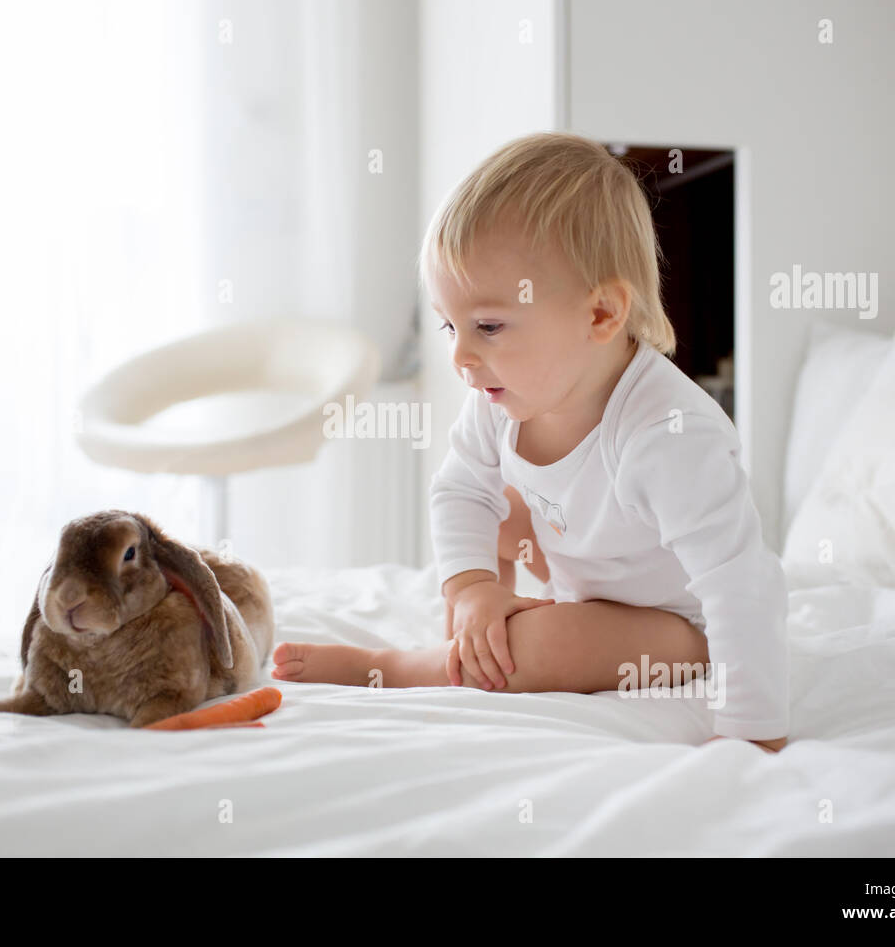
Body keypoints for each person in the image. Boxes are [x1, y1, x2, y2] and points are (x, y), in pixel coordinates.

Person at [271, 132, 789, 753]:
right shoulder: (502, 396)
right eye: (450, 326)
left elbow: (740, 583)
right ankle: (476, 632)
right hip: (582, 567)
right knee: (492, 516)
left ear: (600, 315)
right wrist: (473, 590)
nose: (461, 355)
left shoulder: (667, 434)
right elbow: (459, 489)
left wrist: (753, 735)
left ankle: (402, 669)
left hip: (676, 622)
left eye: (488, 326)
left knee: (542, 648)